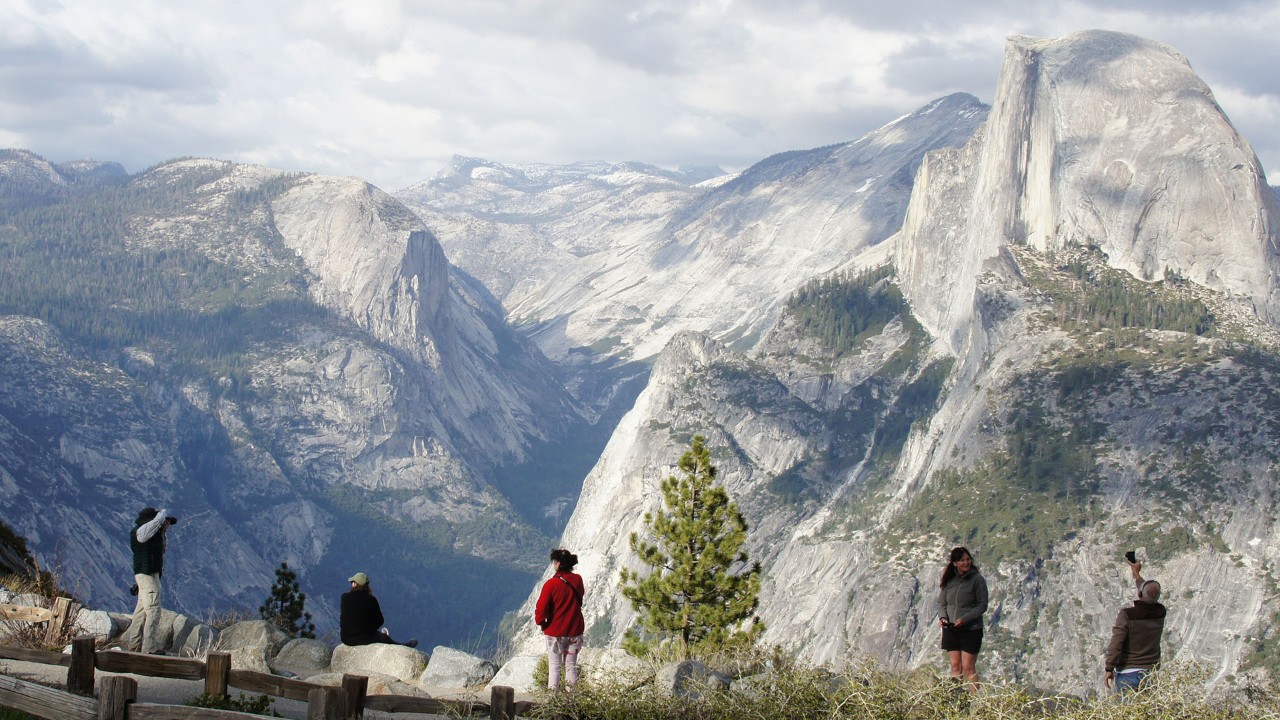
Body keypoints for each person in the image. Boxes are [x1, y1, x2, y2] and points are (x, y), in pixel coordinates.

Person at [1104, 558, 1166, 694]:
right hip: (1150, 671)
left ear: (1139, 594)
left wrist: (1109, 668)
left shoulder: (1127, 615)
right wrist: (1136, 573)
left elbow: (1116, 642)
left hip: (1128, 673)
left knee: (1129, 712)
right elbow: (1148, 590)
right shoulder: (1160, 612)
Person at [122, 507, 177, 654]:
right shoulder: (141, 532)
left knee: (141, 612)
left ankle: (134, 645)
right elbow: (152, 527)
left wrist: (163, 531)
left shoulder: (148, 534)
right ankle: (149, 649)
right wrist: (161, 515)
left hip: (146, 576)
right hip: (148, 575)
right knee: (153, 610)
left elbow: (162, 550)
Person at [936, 546, 988, 692]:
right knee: (955, 666)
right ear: (955, 563)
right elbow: (941, 603)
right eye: (962, 560)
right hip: (951, 628)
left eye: (968, 559)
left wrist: (965, 619)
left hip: (971, 629)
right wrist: (943, 618)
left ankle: (975, 704)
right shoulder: (949, 581)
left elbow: (982, 605)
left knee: (968, 668)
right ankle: (956, 701)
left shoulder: (977, 580)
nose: (966, 562)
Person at [534, 548, 585, 692]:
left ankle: (553, 703)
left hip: (555, 632)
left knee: (555, 667)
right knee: (571, 667)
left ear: (557, 564)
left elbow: (541, 609)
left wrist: (543, 624)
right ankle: (571, 704)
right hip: (575, 631)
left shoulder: (551, 584)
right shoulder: (578, 580)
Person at [339, 572, 418, 648]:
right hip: (363, 638)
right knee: (384, 638)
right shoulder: (371, 600)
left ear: (354, 584)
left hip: (346, 639)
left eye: (352, 582)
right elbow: (380, 621)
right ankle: (403, 647)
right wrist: (369, 628)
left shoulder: (344, 597)